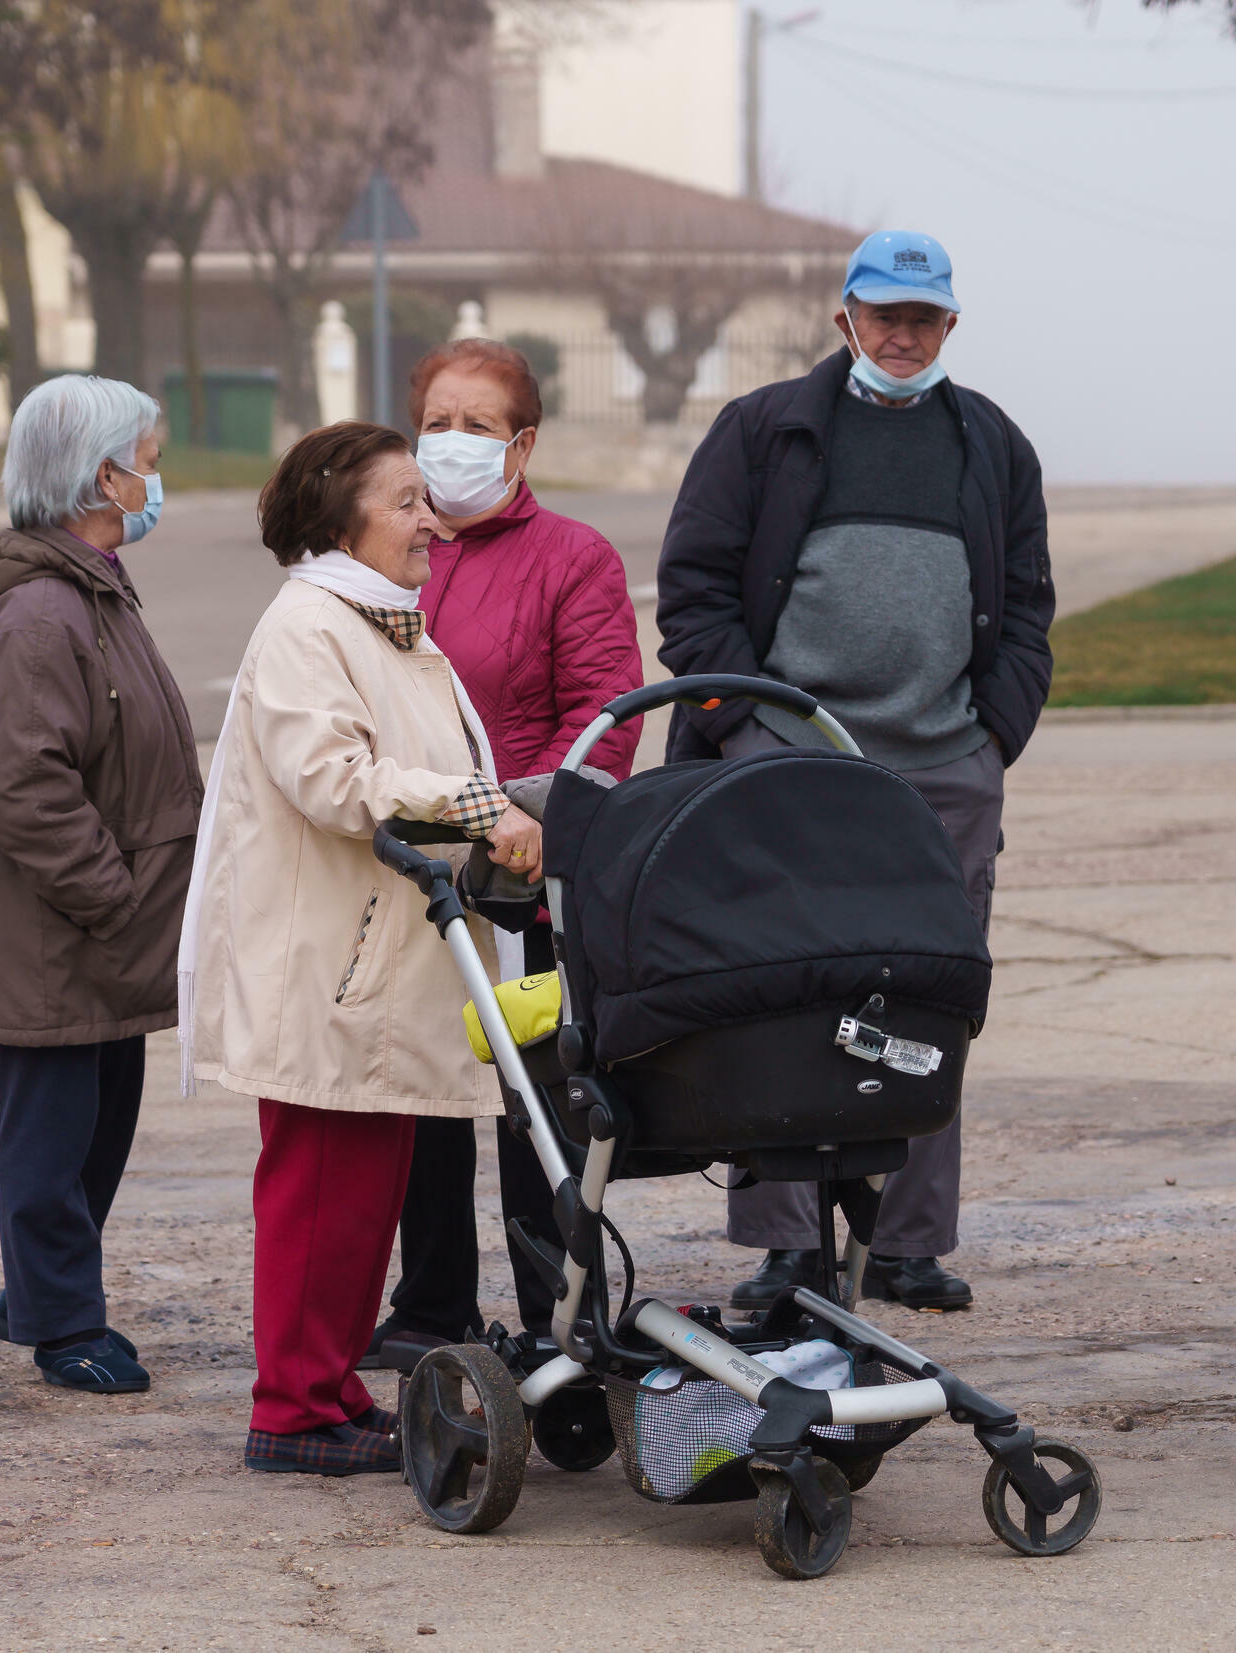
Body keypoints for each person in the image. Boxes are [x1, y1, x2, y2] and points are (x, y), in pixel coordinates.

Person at [655, 229, 1054, 1312]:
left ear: (949, 329)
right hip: (784, 767)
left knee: (932, 997)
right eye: (883, 317)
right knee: (772, 996)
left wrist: (991, 736)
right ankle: (787, 1245)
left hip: (941, 774)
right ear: (844, 320)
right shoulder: (761, 430)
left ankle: (908, 1242)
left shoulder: (992, 445)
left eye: (921, 320)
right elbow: (691, 590)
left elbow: (1024, 606)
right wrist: (745, 728)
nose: (901, 336)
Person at [181, 420, 545, 1477]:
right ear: (342, 520)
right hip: (328, 968)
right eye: (405, 505)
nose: (429, 522)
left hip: (373, 966)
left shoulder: (380, 620)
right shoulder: (311, 625)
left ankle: (329, 1392)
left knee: (357, 1205)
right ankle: (292, 1414)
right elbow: (335, 778)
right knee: (317, 1200)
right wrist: (479, 806)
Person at [361, 337, 644, 1372]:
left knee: (535, 1103)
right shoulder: (383, 557)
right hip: (413, 877)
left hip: (524, 879)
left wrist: (519, 822)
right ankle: (430, 1303)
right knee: (427, 1098)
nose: (453, 443)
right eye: (437, 421)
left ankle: (553, 1315)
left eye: (478, 426)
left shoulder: (572, 558)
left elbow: (605, 723)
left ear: (521, 446)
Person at [0, 375, 198, 1396]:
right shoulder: (39, 611)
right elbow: (23, 786)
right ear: (102, 475)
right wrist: (112, 894)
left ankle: (40, 1292)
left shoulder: (92, 587)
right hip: (64, 932)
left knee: (96, 1127)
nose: (155, 478)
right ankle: (61, 1324)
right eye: (149, 458)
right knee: (50, 1138)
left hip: (103, 930)